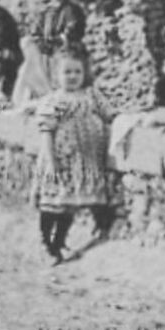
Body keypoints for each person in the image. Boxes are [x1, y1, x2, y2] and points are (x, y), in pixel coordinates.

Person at [29, 45, 117, 265]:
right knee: (53, 204)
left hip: (83, 162)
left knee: (70, 205)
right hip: (60, 160)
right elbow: (47, 132)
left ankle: (59, 243)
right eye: (67, 72)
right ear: (56, 75)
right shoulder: (54, 100)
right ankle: (45, 242)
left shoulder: (91, 95)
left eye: (77, 71)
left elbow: (110, 114)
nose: (73, 76)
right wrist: (50, 161)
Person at [12, 0, 85, 106]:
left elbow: (74, 29)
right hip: (47, 50)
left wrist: (59, 40)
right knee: (29, 51)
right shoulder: (47, 11)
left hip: (66, 50)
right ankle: (38, 96)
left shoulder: (72, 9)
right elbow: (36, 29)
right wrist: (40, 41)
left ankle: (61, 99)